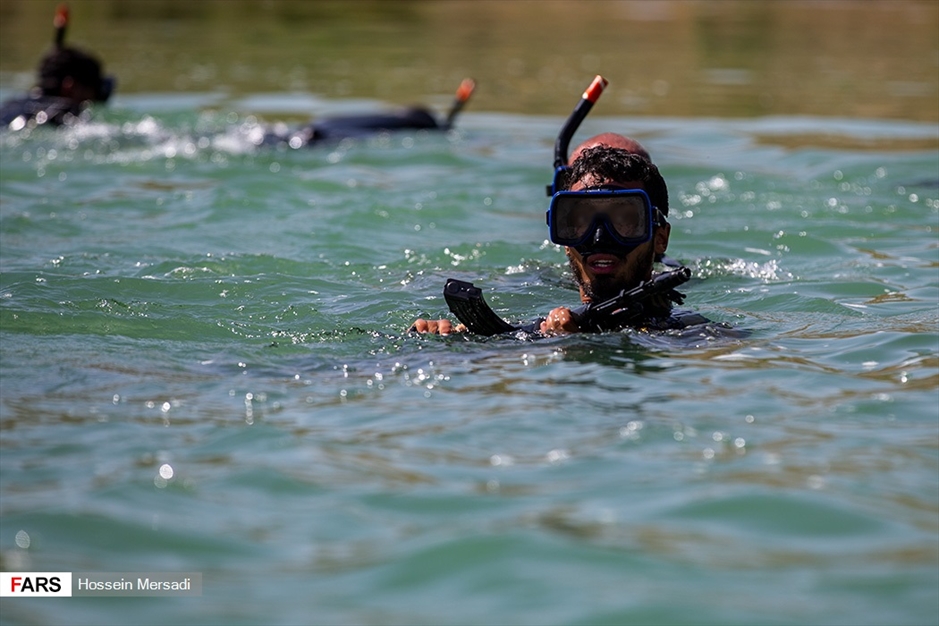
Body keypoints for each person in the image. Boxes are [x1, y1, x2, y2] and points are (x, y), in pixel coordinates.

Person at [409, 144, 707, 335]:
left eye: (625, 220)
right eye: (580, 221)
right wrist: (453, 343)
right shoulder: (538, 326)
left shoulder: (690, 333)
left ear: (660, 238)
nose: (600, 238)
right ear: (563, 236)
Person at [0, 5, 114, 130]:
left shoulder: (9, 105)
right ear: (70, 86)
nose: (91, 99)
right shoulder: (66, 111)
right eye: (90, 89)